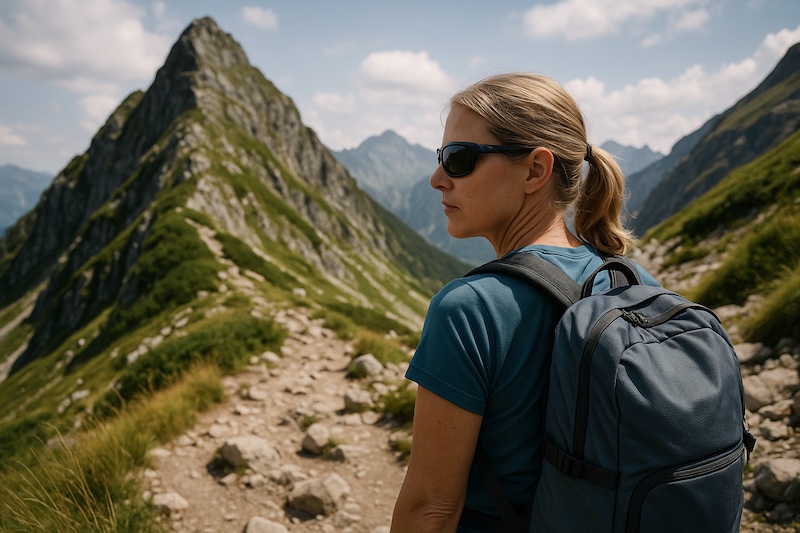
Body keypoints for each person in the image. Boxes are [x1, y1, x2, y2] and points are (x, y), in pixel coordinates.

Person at [390, 72, 660, 532]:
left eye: (458, 159)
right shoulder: (638, 283)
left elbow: (430, 511)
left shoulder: (468, 309)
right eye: (441, 157)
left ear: (535, 170)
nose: (437, 178)